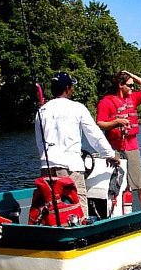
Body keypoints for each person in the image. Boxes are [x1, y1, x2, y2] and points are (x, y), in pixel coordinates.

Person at [35, 72, 120, 217]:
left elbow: (39, 142)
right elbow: (95, 136)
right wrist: (111, 155)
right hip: (70, 169)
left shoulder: (41, 111)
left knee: (52, 209)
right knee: (78, 209)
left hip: (47, 169)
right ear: (67, 88)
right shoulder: (77, 108)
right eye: (71, 87)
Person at [96, 70, 141, 209]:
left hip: (132, 146)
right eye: (130, 85)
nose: (132, 88)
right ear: (120, 85)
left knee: (140, 182)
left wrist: (133, 76)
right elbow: (100, 123)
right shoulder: (106, 102)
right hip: (114, 147)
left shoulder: (133, 98)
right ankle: (117, 210)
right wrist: (116, 122)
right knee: (116, 183)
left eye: (133, 85)